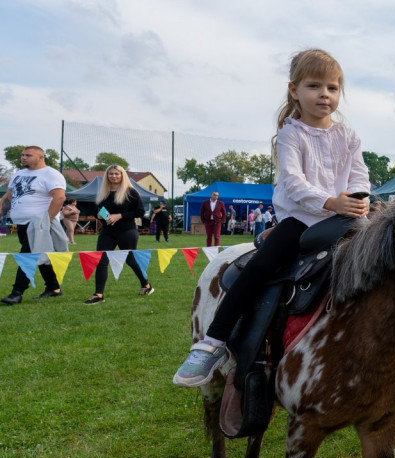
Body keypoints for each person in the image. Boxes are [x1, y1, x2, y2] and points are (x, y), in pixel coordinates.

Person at [174, 48, 370, 386]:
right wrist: (330, 202)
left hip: (344, 219)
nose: (324, 94)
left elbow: (359, 176)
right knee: (261, 266)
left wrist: (355, 200)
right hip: (301, 220)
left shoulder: (349, 136)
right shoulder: (290, 134)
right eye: (314, 86)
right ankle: (213, 342)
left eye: (332, 88)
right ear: (294, 90)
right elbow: (293, 183)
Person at [0, 146, 67, 304]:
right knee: (37, 253)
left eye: (28, 155)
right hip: (21, 223)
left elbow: (59, 198)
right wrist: (1, 210)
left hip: (38, 223)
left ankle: (17, 293)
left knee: (27, 256)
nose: (23, 157)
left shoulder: (51, 174)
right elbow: (8, 196)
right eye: (22, 155)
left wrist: (45, 221)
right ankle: (53, 288)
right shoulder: (19, 173)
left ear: (40, 157)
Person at [85, 164, 154, 304]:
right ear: (107, 176)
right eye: (111, 174)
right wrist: (99, 215)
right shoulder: (103, 192)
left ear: (122, 175)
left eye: (117, 174)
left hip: (127, 231)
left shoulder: (131, 192)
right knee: (101, 260)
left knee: (130, 260)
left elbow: (140, 212)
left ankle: (146, 285)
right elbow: (97, 209)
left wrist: (120, 215)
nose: (114, 176)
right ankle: (98, 294)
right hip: (107, 231)